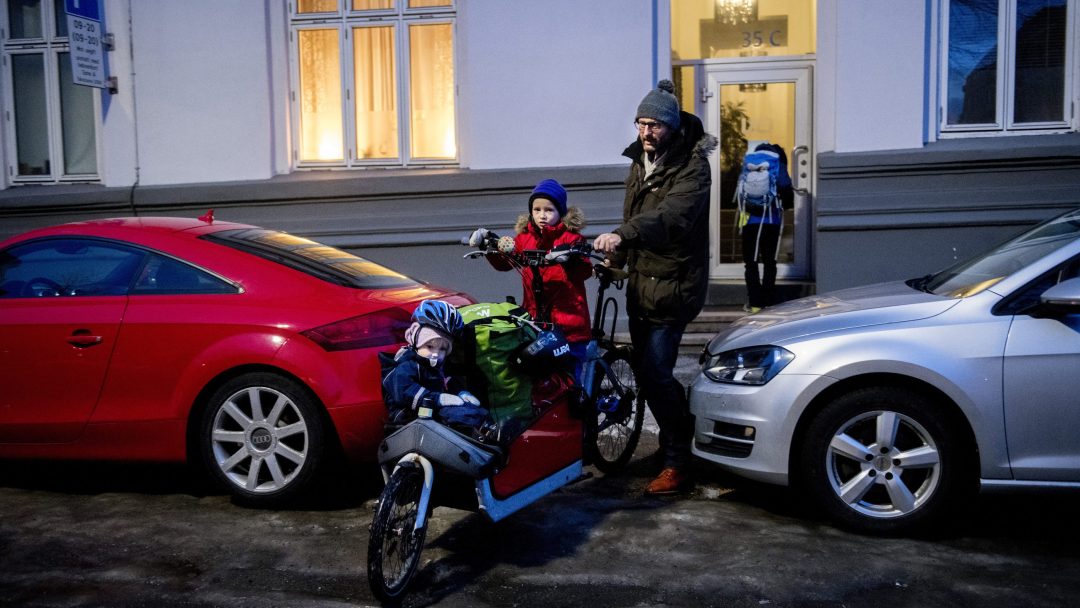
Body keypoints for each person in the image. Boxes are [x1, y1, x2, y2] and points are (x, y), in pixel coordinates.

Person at [593, 79, 715, 496]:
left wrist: (622, 236)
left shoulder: (692, 166)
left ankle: (680, 461)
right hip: (643, 284)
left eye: (654, 125)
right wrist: (617, 260)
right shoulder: (640, 162)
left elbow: (670, 219)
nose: (645, 132)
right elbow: (636, 212)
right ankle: (678, 439)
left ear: (673, 127)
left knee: (657, 373)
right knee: (648, 375)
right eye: (641, 123)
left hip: (675, 286)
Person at [468, 178, 593, 379]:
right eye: (537, 210)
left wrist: (570, 258)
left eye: (549, 210)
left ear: (560, 212)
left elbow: (584, 270)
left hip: (568, 322)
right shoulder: (525, 238)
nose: (542, 215)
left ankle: (580, 405)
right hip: (535, 321)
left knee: (570, 377)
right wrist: (490, 247)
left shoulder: (571, 238)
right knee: (537, 376)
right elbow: (505, 262)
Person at [380, 299, 490, 431]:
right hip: (410, 417)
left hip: (431, 411)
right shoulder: (407, 366)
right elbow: (404, 392)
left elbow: (446, 382)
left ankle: (489, 431)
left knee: (477, 411)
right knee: (460, 416)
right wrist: (439, 399)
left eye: (443, 349)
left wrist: (461, 394)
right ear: (414, 336)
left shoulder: (437, 366)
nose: (435, 353)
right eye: (430, 346)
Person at [741, 142, 794, 313]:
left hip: (749, 220)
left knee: (751, 262)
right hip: (771, 220)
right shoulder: (777, 164)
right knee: (769, 261)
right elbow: (785, 186)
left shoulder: (749, 164)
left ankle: (755, 304)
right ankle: (768, 301)